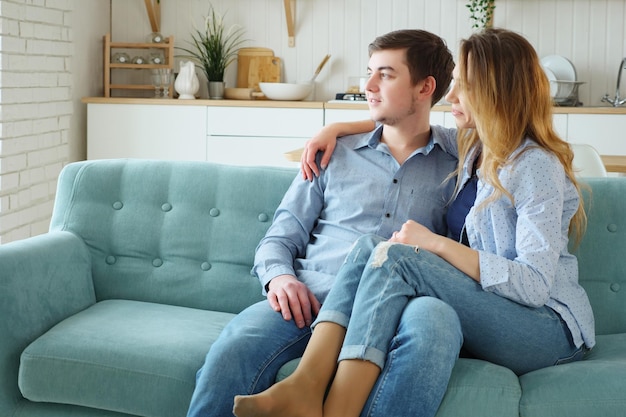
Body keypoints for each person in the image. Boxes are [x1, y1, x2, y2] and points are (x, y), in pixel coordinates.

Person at [232, 28, 596, 417]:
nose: (451, 96)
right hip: (496, 307)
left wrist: (438, 244)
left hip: (545, 328)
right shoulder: (474, 148)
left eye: (465, 87)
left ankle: (322, 398)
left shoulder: (534, 164)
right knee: (376, 247)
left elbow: (535, 285)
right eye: (453, 84)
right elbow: (402, 124)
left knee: (395, 253)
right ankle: (307, 387)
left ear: (497, 91)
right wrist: (335, 128)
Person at [186, 29, 460, 417]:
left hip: (387, 313)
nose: (368, 86)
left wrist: (339, 124)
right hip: (309, 299)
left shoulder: (458, 165)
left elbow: (501, 136)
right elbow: (279, 236)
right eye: (370, 72)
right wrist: (279, 277)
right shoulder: (331, 154)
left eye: (386, 74)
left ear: (425, 87)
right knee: (234, 350)